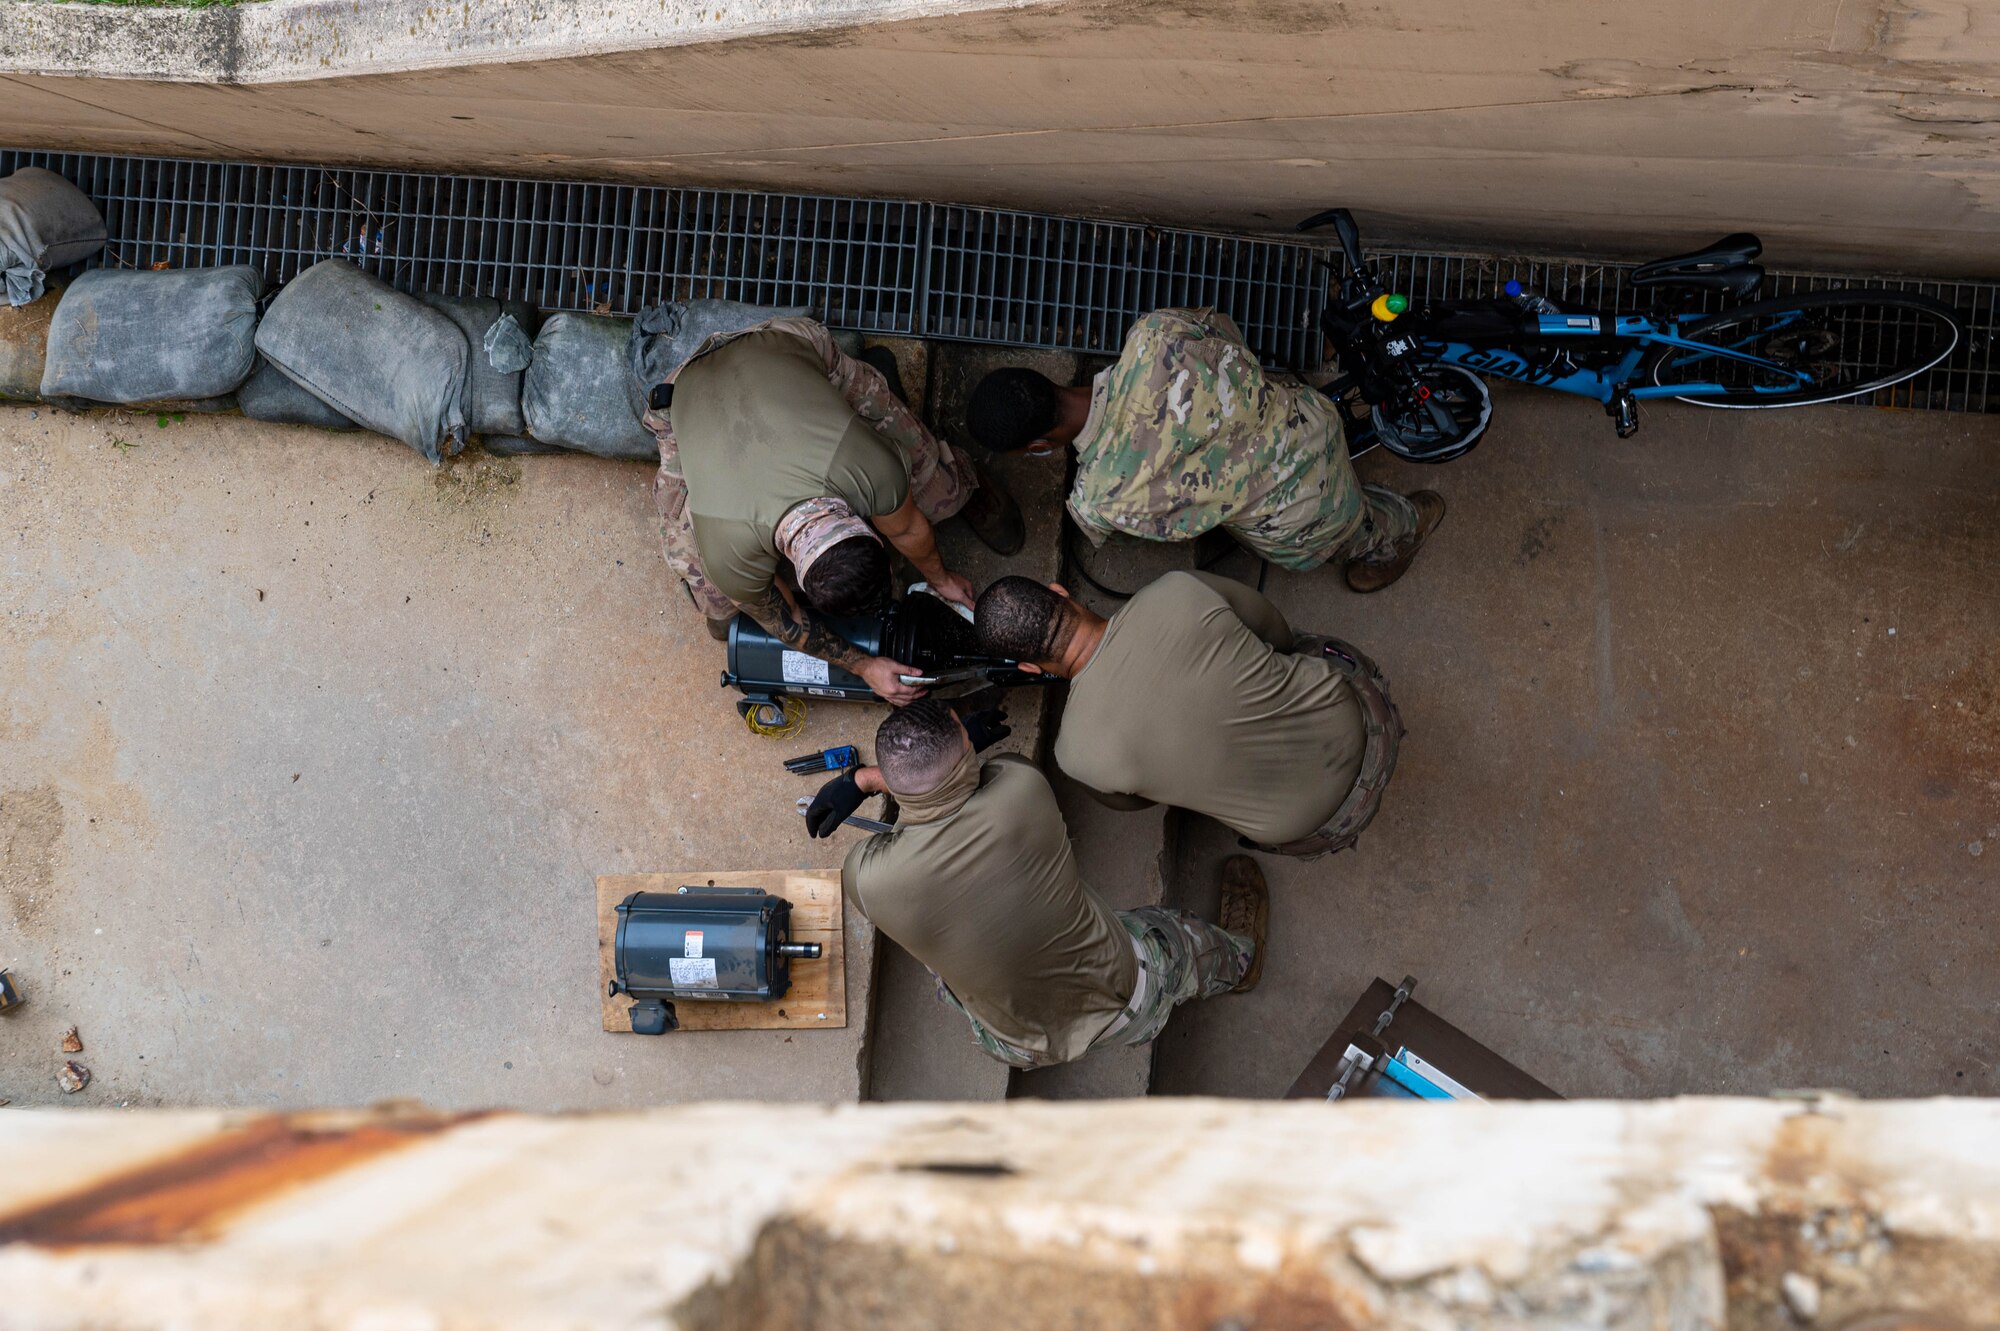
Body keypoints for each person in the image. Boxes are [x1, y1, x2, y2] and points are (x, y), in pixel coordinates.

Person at [806, 698, 1268, 1069]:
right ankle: (1240, 962)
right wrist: (914, 766)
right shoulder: (1022, 787)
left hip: (1014, 1045)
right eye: (968, 735)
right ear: (968, 753)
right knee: (1173, 936)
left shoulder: (866, 879)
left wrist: (863, 780)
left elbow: (925, 795)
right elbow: (988, 773)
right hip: (1126, 1000)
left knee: (949, 965)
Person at [646, 314, 1023, 704]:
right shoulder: (730, 554)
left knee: (939, 492)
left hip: (783, 350)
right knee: (718, 596)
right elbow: (788, 620)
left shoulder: (869, 469)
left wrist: (940, 577)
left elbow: (909, 530)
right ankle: (742, 597)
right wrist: (864, 666)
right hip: (685, 394)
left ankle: (963, 484)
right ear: (870, 529)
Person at [964, 306, 1445, 593]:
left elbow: (1176, 524)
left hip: (1304, 519)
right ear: (1048, 378)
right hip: (1314, 421)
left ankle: (1386, 536)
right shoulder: (1154, 335)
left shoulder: (1100, 500)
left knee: (1349, 525)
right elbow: (1227, 335)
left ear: (1037, 446)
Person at [974, 572, 1402, 858]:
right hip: (1367, 720)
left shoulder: (1075, 755)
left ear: (1028, 668)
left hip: (1317, 828)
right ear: (1059, 590)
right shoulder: (1177, 590)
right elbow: (1277, 632)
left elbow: (1137, 802)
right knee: (1283, 650)